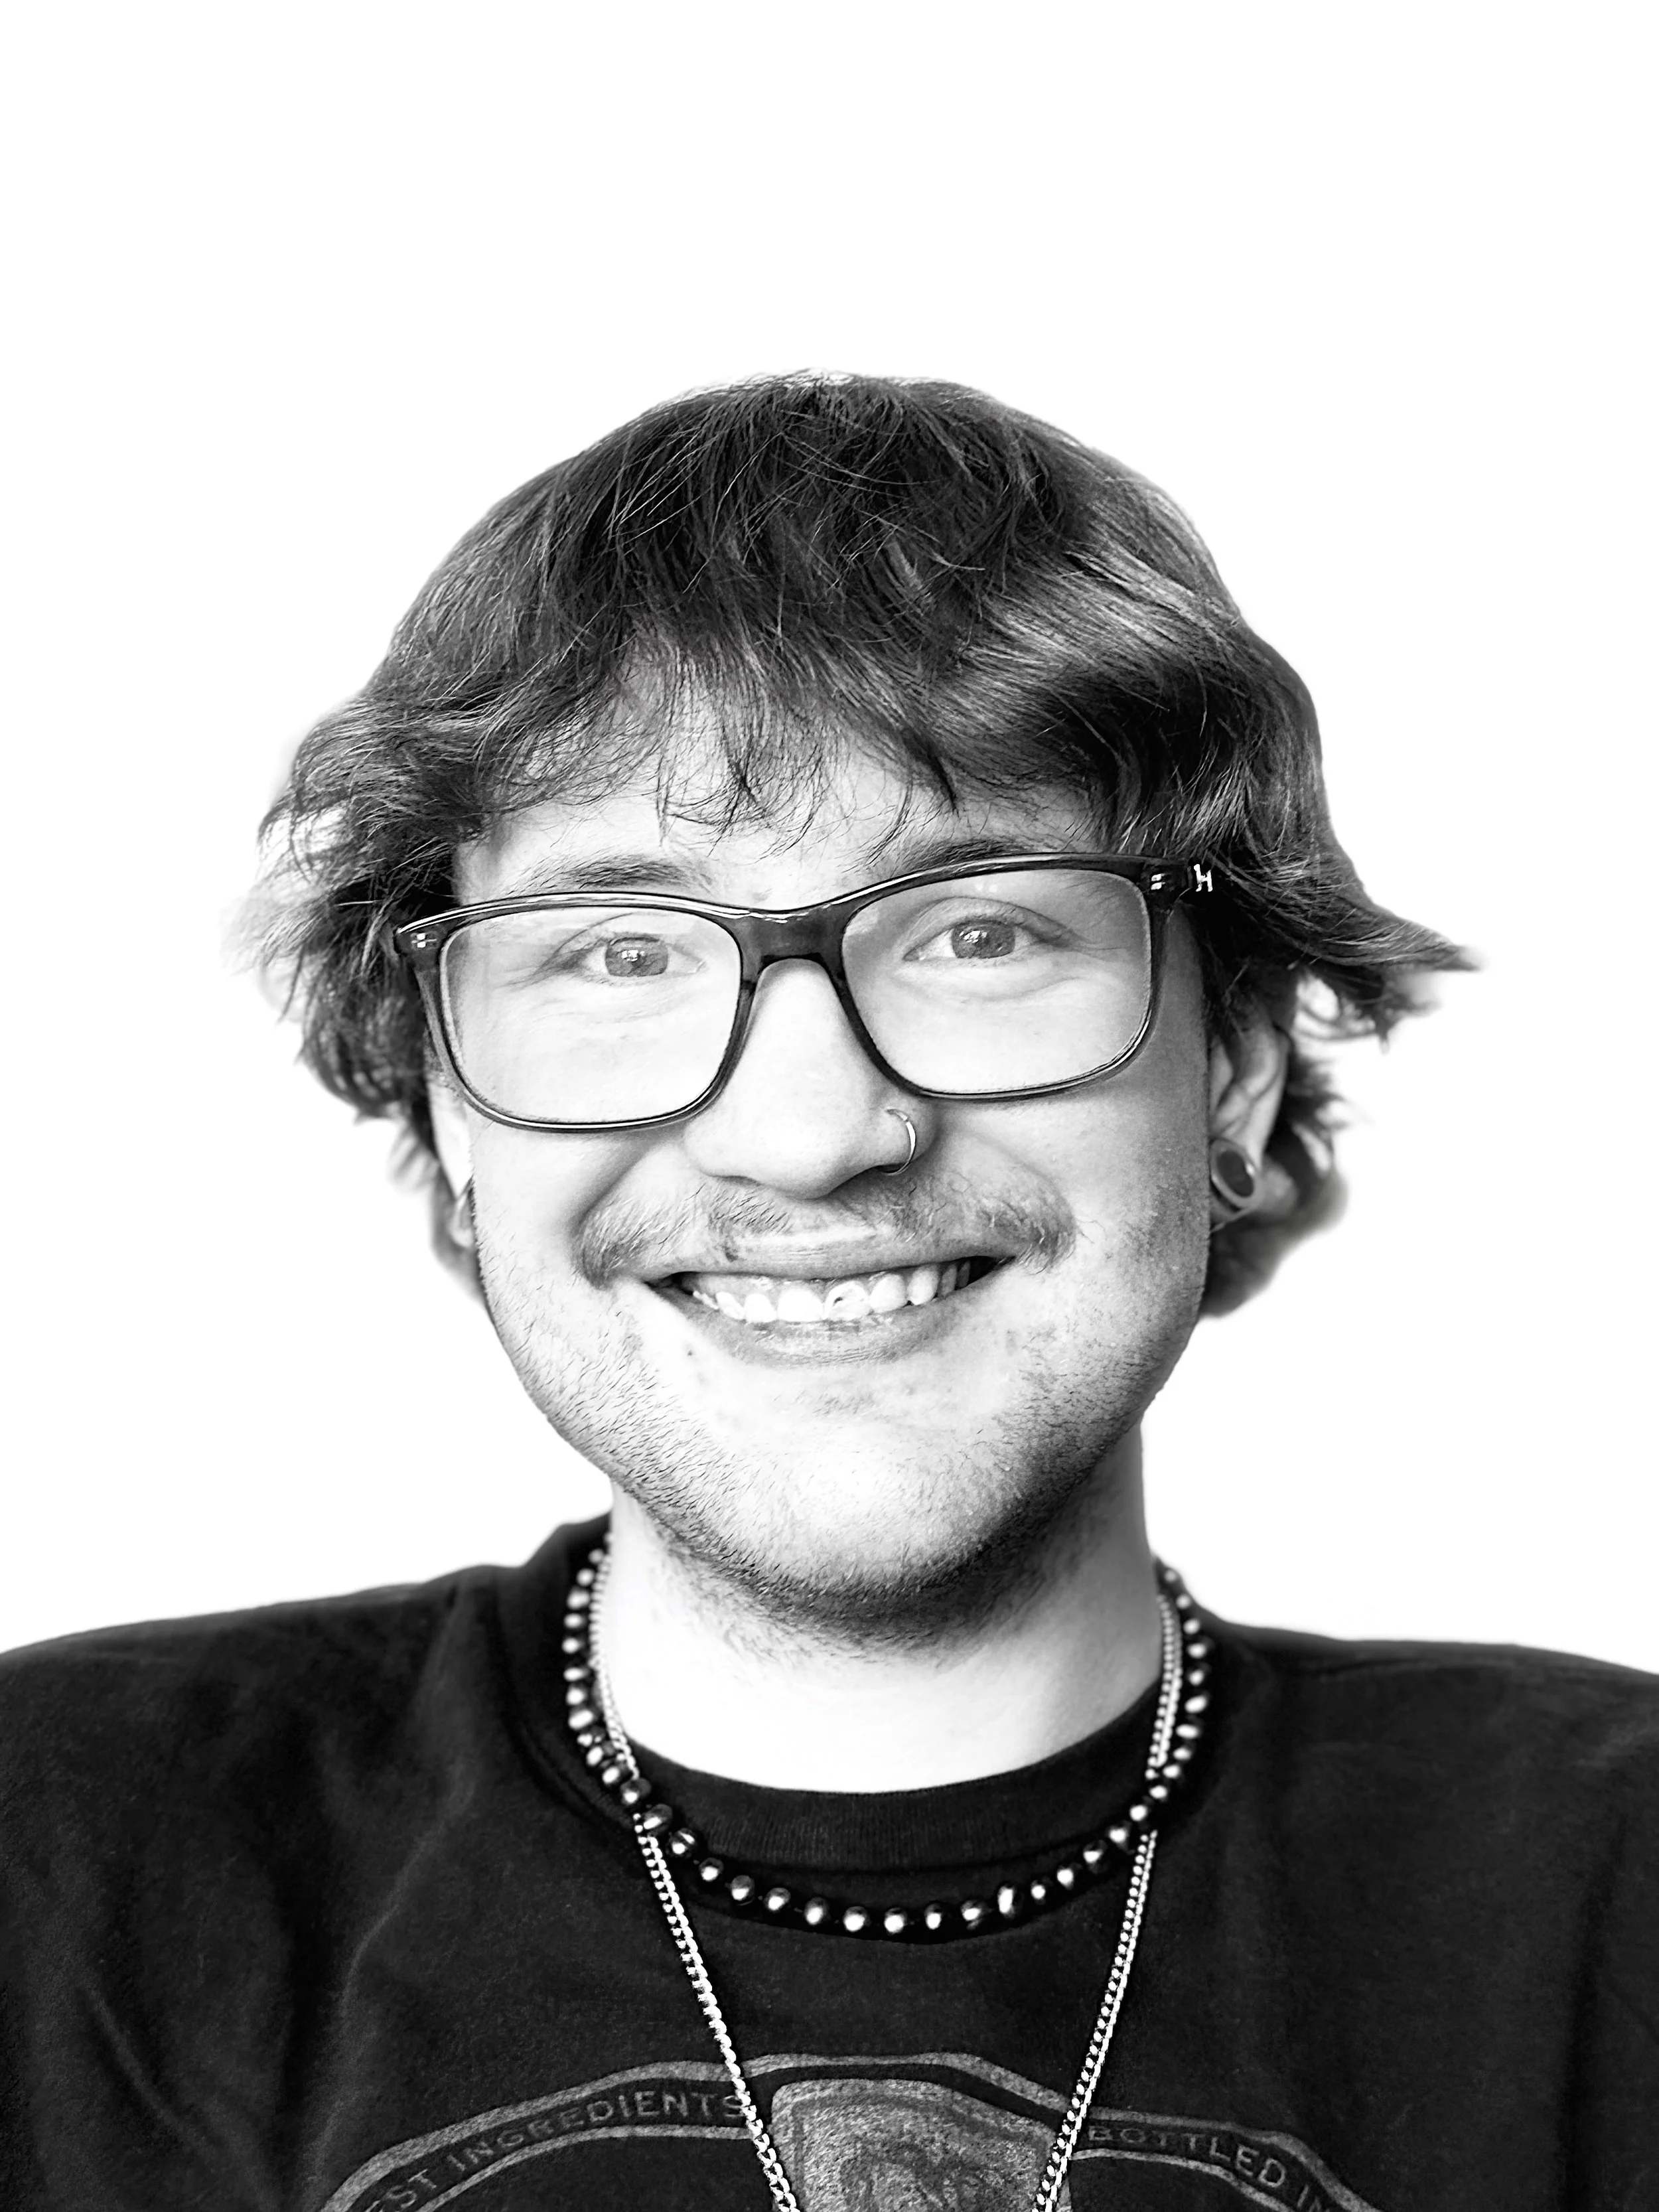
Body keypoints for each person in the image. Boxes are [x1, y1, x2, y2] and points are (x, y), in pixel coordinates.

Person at [1, 375, 1653, 2212]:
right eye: (619, 952)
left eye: (981, 931)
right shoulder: (55, 1861)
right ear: (454, 1109)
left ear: (1235, 1076)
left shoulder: (1612, 1884)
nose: (805, 1134)